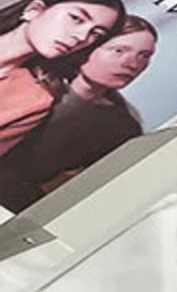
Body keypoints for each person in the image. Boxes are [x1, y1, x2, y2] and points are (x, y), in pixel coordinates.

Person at [0, 14, 154, 212]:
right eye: (119, 50)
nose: (132, 64)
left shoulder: (123, 127)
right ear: (88, 48)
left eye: (144, 56)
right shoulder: (28, 79)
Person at [0, 0, 125, 158]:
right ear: (34, 10)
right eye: (76, 18)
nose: (81, 37)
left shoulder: (35, 102)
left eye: (96, 34)